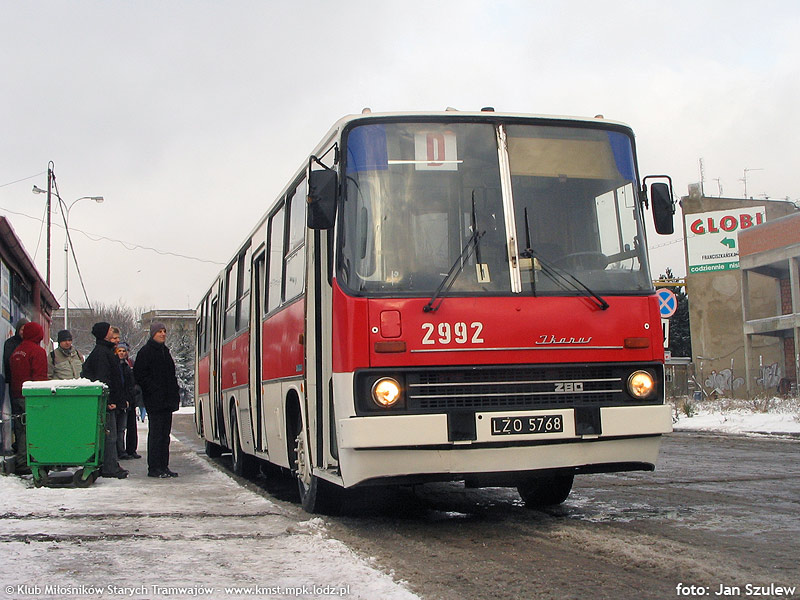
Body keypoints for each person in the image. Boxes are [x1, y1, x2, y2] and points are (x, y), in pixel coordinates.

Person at [81, 322, 128, 479]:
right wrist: (109, 400)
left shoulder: (104, 351)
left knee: (111, 434)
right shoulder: (102, 353)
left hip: (108, 400)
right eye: (109, 330)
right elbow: (104, 378)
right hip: (106, 402)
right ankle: (110, 467)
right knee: (110, 435)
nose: (111, 332)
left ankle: (110, 464)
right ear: (104, 334)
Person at [134, 322, 180, 478]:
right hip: (155, 401)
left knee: (165, 436)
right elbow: (140, 375)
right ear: (153, 334)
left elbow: (171, 376)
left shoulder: (165, 352)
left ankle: (163, 466)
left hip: (167, 401)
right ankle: (154, 467)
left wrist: (174, 392)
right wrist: (154, 389)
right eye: (159, 331)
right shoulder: (146, 352)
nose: (163, 334)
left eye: (164, 331)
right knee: (156, 435)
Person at [8, 321, 48, 474]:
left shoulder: (17, 351)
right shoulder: (37, 351)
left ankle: (21, 459)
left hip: (16, 394)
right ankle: (31, 459)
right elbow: (40, 377)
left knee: (20, 428)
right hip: (32, 397)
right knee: (33, 428)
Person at [116, 342, 141, 460]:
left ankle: (131, 449)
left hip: (131, 399)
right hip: (122, 400)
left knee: (131, 426)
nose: (122, 353)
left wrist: (135, 391)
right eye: (120, 351)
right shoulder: (116, 365)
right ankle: (120, 450)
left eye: (124, 351)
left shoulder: (129, 364)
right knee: (120, 427)